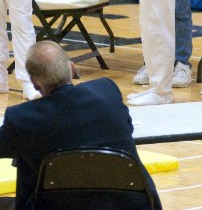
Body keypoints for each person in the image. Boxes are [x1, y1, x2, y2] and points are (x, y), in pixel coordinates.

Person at [0, 41, 162, 210]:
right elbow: (128, 128)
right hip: (131, 205)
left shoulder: (23, 118)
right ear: (72, 68)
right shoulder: (107, 91)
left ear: (33, 82)